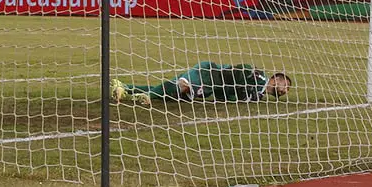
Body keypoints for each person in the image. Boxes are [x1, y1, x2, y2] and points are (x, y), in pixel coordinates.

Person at [111, 61, 292, 106]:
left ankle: (124, 87)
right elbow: (241, 69)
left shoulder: (258, 96)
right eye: (286, 84)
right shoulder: (260, 78)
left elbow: (225, 97)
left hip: (210, 88)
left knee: (172, 93)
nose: (286, 90)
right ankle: (147, 96)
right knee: (182, 86)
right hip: (208, 74)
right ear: (276, 78)